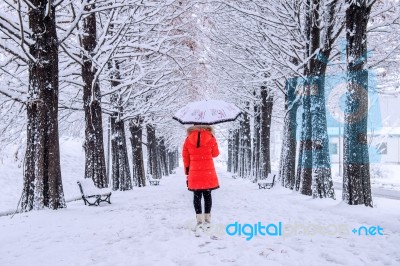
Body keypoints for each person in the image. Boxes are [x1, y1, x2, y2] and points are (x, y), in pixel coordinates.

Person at [182, 125, 220, 231]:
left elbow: (185, 157)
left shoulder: (188, 139)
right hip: (208, 171)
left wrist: (187, 172)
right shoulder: (211, 137)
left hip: (194, 172)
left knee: (197, 195)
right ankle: (207, 220)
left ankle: (199, 221)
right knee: (207, 195)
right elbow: (215, 154)